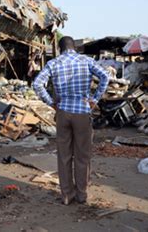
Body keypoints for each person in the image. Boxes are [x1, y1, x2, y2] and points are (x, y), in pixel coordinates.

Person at [33, 36, 109, 205]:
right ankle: (82, 195)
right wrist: (95, 99)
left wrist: (51, 102)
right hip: (82, 111)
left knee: (64, 156)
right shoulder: (86, 60)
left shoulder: (54, 63)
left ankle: (67, 195)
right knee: (83, 156)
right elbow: (105, 76)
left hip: (63, 112)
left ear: (59, 49)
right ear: (75, 47)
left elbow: (37, 84)